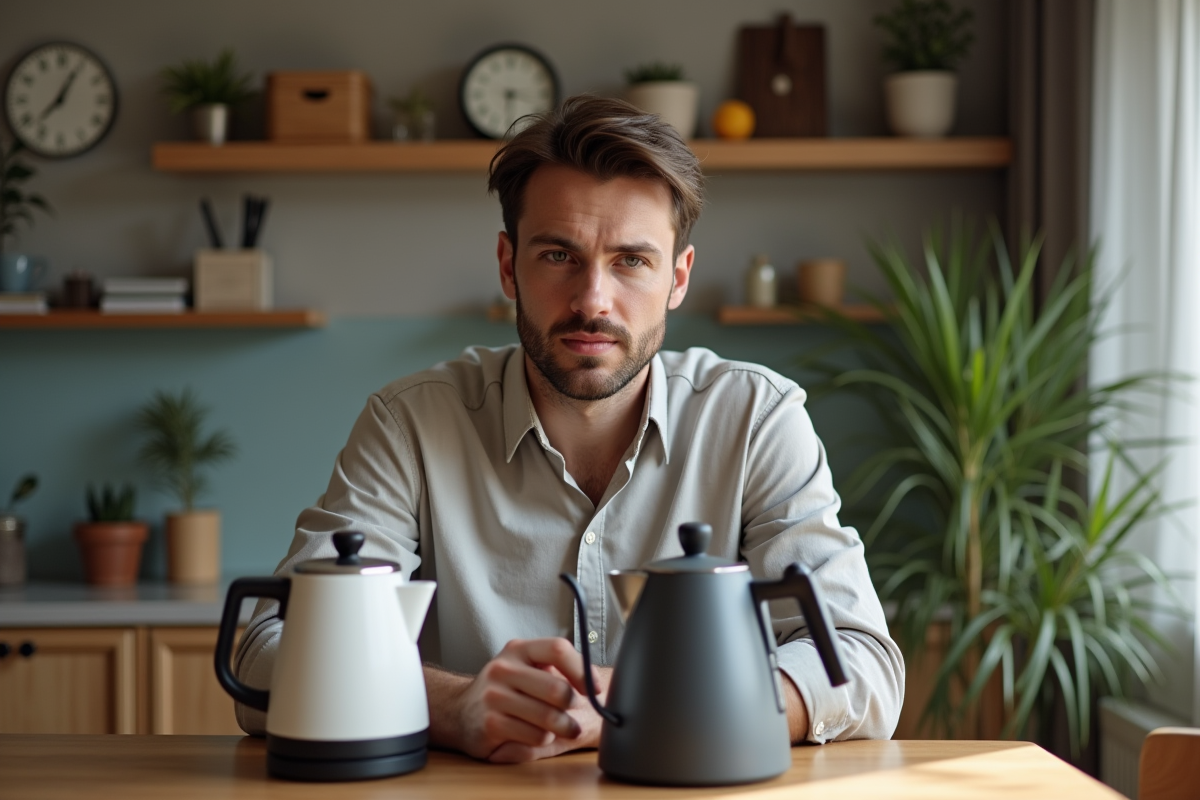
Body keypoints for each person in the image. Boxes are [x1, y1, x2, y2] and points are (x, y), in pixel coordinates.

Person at [234, 95, 904, 762]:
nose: (592, 300)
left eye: (631, 261)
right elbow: (267, 651)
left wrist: (659, 703)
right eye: (559, 256)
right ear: (508, 265)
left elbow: (863, 665)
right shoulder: (410, 423)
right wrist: (452, 704)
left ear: (678, 277)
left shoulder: (756, 419)